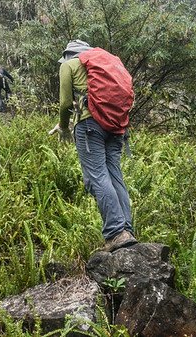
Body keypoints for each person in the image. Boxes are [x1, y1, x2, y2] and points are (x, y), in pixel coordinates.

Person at [56, 39, 137, 252]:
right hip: (116, 126)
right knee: (114, 175)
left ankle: (116, 232)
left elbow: (65, 103)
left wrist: (64, 127)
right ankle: (126, 229)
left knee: (97, 176)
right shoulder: (103, 63)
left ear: (67, 54)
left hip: (89, 125)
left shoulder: (69, 65)